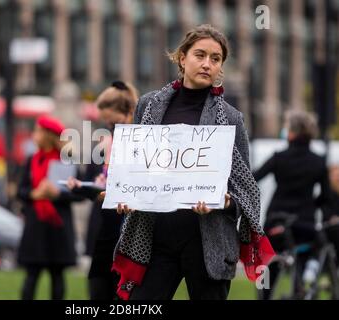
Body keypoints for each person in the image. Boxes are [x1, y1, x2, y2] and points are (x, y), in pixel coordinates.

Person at [113, 24, 274, 300]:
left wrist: (225, 202)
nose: (207, 64)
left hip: (208, 243)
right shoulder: (148, 106)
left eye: (215, 58)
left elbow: (246, 188)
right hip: (154, 239)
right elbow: (134, 169)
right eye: (200, 55)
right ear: (182, 57)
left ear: (221, 66)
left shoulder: (232, 118)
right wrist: (124, 194)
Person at [67, 81, 138, 300]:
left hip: (130, 232)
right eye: (107, 125)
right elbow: (88, 180)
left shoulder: (141, 143)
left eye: (114, 124)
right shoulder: (103, 144)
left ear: (129, 113)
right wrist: (80, 186)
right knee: (97, 292)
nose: (111, 130)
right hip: (103, 229)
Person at [253, 109, 331, 299]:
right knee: (306, 255)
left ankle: (265, 293)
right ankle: (304, 284)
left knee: (270, 263)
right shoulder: (318, 161)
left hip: (276, 221)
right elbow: (326, 196)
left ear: (292, 132)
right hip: (305, 223)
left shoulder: (279, 157)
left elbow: (253, 178)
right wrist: (312, 204)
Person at [17, 115, 82, 300]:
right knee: (31, 277)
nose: (33, 134)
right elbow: (21, 190)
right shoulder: (32, 160)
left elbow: (79, 192)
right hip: (35, 225)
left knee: (57, 277)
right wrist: (33, 194)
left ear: (48, 135)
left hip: (57, 227)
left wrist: (58, 194)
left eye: (38, 131)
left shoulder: (67, 160)